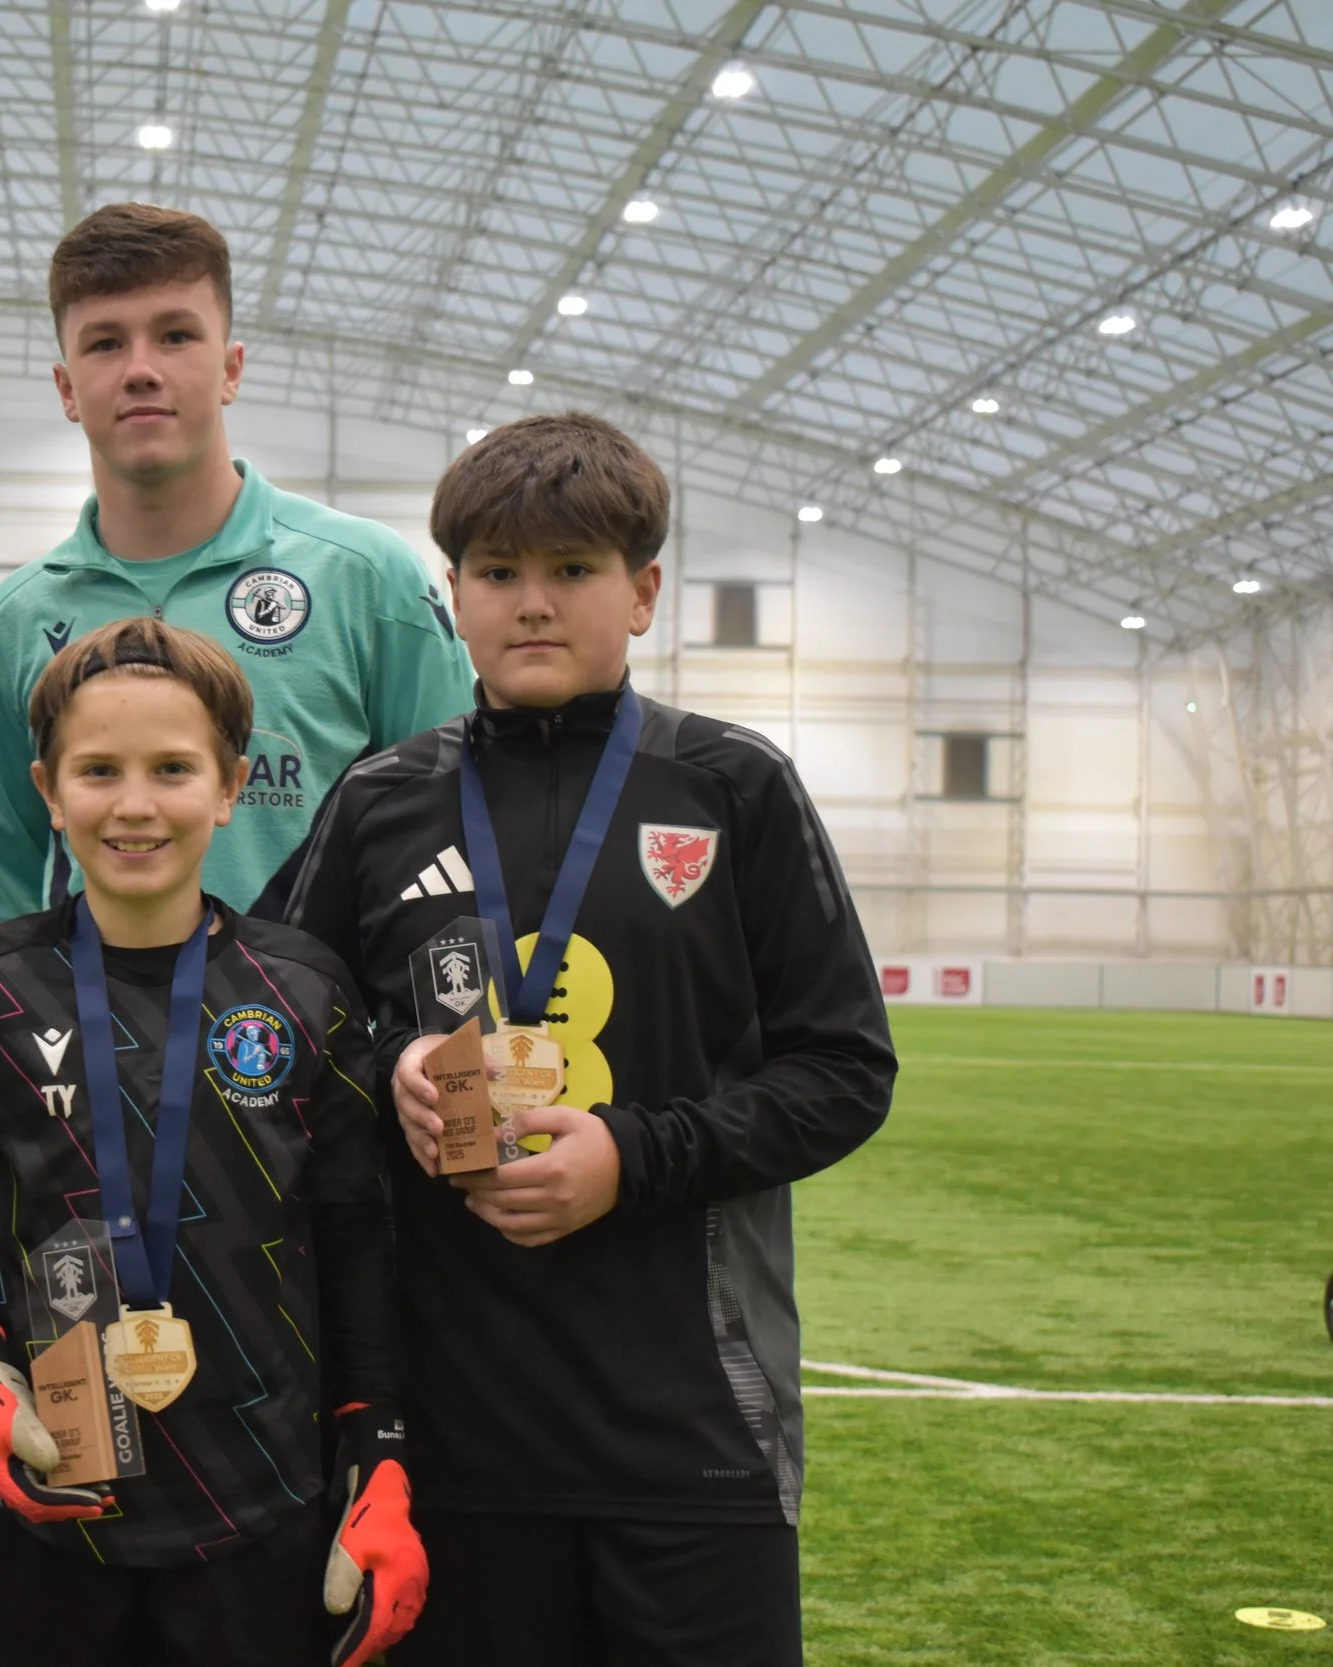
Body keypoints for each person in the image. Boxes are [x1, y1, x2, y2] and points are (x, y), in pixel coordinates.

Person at [272, 413, 897, 1665]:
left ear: (643, 591)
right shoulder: (380, 798)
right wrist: (387, 1063)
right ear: (454, 596)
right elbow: (272, 1031)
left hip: (691, 1436)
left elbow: (843, 1071)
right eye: (498, 571)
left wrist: (631, 1156)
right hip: (444, 1438)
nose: (532, 602)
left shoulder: (734, 788)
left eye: (572, 569)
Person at [0, 617, 428, 1667]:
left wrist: (380, 1447)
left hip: (262, 1503)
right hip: (51, 1496)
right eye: (99, 770)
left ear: (230, 786)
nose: (134, 803)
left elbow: (356, 1241)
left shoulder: (303, 989)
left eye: (172, 768)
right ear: (49, 791)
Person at [0, 201, 474, 926]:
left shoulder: (368, 577)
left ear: (231, 369)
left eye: (176, 335)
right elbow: (18, 866)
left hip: (325, 1000)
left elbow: (445, 833)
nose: (141, 370)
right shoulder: (18, 618)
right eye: (105, 343)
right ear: (67, 389)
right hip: (92, 1004)